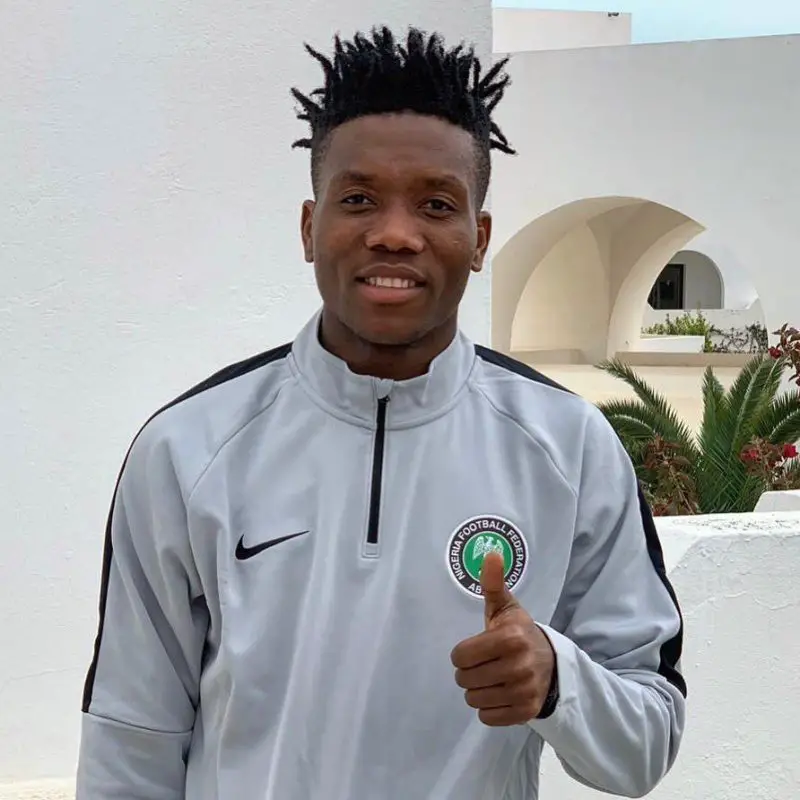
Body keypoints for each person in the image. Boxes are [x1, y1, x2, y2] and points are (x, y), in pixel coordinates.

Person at [76, 25, 686, 799]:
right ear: (310, 228)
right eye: (359, 199)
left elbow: (645, 744)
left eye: (436, 204)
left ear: (479, 239)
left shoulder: (571, 449)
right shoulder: (188, 449)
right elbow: (132, 736)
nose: (395, 234)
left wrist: (559, 680)